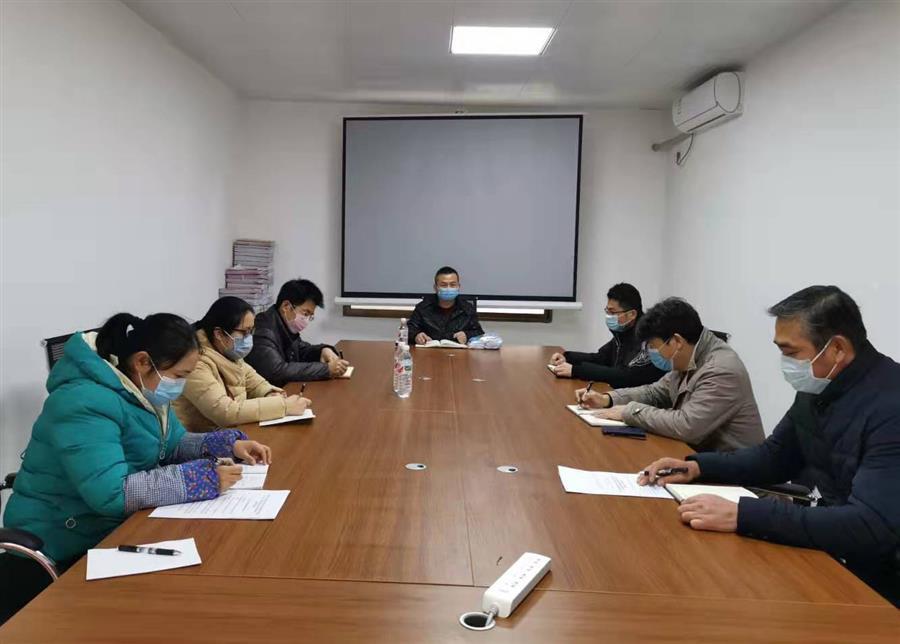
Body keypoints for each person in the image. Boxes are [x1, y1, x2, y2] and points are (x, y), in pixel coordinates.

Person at [637, 286, 900, 605]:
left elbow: (870, 526)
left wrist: (744, 515)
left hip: (879, 582)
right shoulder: (819, 388)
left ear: (837, 349)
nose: (785, 363)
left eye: (791, 352)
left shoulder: (890, 406)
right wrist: (698, 467)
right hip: (832, 552)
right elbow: (774, 457)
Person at [1, 312, 272, 621]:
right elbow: (112, 493)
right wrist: (203, 479)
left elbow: (172, 445)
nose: (181, 385)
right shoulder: (82, 401)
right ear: (143, 362)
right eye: (179, 375)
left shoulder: (142, 389)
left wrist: (226, 445)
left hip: (112, 528)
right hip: (60, 542)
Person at [577, 297, 764, 451]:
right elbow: (655, 392)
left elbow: (687, 426)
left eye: (653, 347)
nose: (652, 353)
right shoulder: (689, 357)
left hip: (732, 478)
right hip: (697, 459)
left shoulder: (721, 370)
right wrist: (608, 399)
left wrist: (630, 412)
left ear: (676, 341)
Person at [174, 296, 311, 432]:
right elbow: (225, 412)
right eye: (244, 332)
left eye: (251, 331)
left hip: (228, 432)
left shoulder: (227, 350)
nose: (249, 338)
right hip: (197, 439)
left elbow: (253, 380)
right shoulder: (194, 362)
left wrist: (270, 393)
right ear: (219, 334)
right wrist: (283, 406)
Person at [549, 283, 664, 387]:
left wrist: (576, 371)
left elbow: (626, 376)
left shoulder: (647, 339)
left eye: (612, 312)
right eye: (607, 311)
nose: (608, 316)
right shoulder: (623, 333)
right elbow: (601, 358)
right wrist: (568, 358)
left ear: (632, 314)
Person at [245, 278, 349, 385]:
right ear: (286, 306)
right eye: (305, 313)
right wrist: (326, 370)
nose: (307, 320)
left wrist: (322, 351)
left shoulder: (285, 325)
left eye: (310, 316)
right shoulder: (263, 330)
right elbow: (277, 370)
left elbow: (301, 350)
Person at [408, 266, 484, 346]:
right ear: (435, 288)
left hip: (458, 352)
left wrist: (467, 335)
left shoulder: (467, 308)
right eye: (443, 285)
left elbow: (478, 333)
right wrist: (416, 336)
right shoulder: (423, 308)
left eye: (453, 285)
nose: (448, 288)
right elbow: (409, 329)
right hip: (430, 351)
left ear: (458, 287)